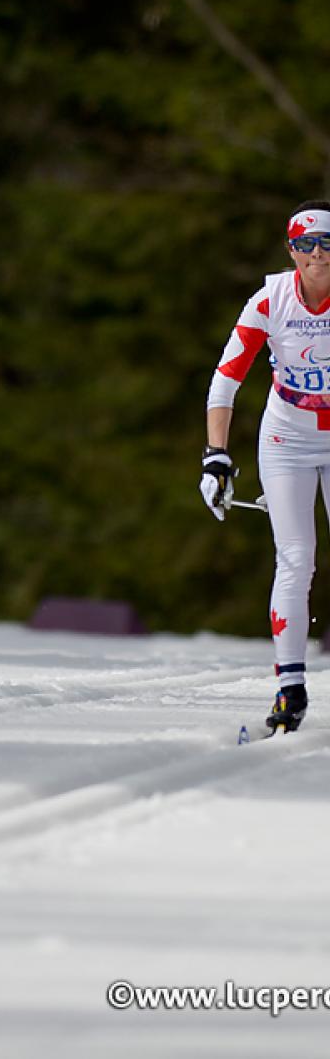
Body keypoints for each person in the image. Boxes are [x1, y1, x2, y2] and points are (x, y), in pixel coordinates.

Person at [201, 199, 330, 733]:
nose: (318, 255)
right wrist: (216, 457)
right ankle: (289, 690)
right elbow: (225, 380)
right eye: (306, 245)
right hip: (287, 438)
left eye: (328, 245)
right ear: (290, 250)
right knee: (295, 558)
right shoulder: (270, 299)